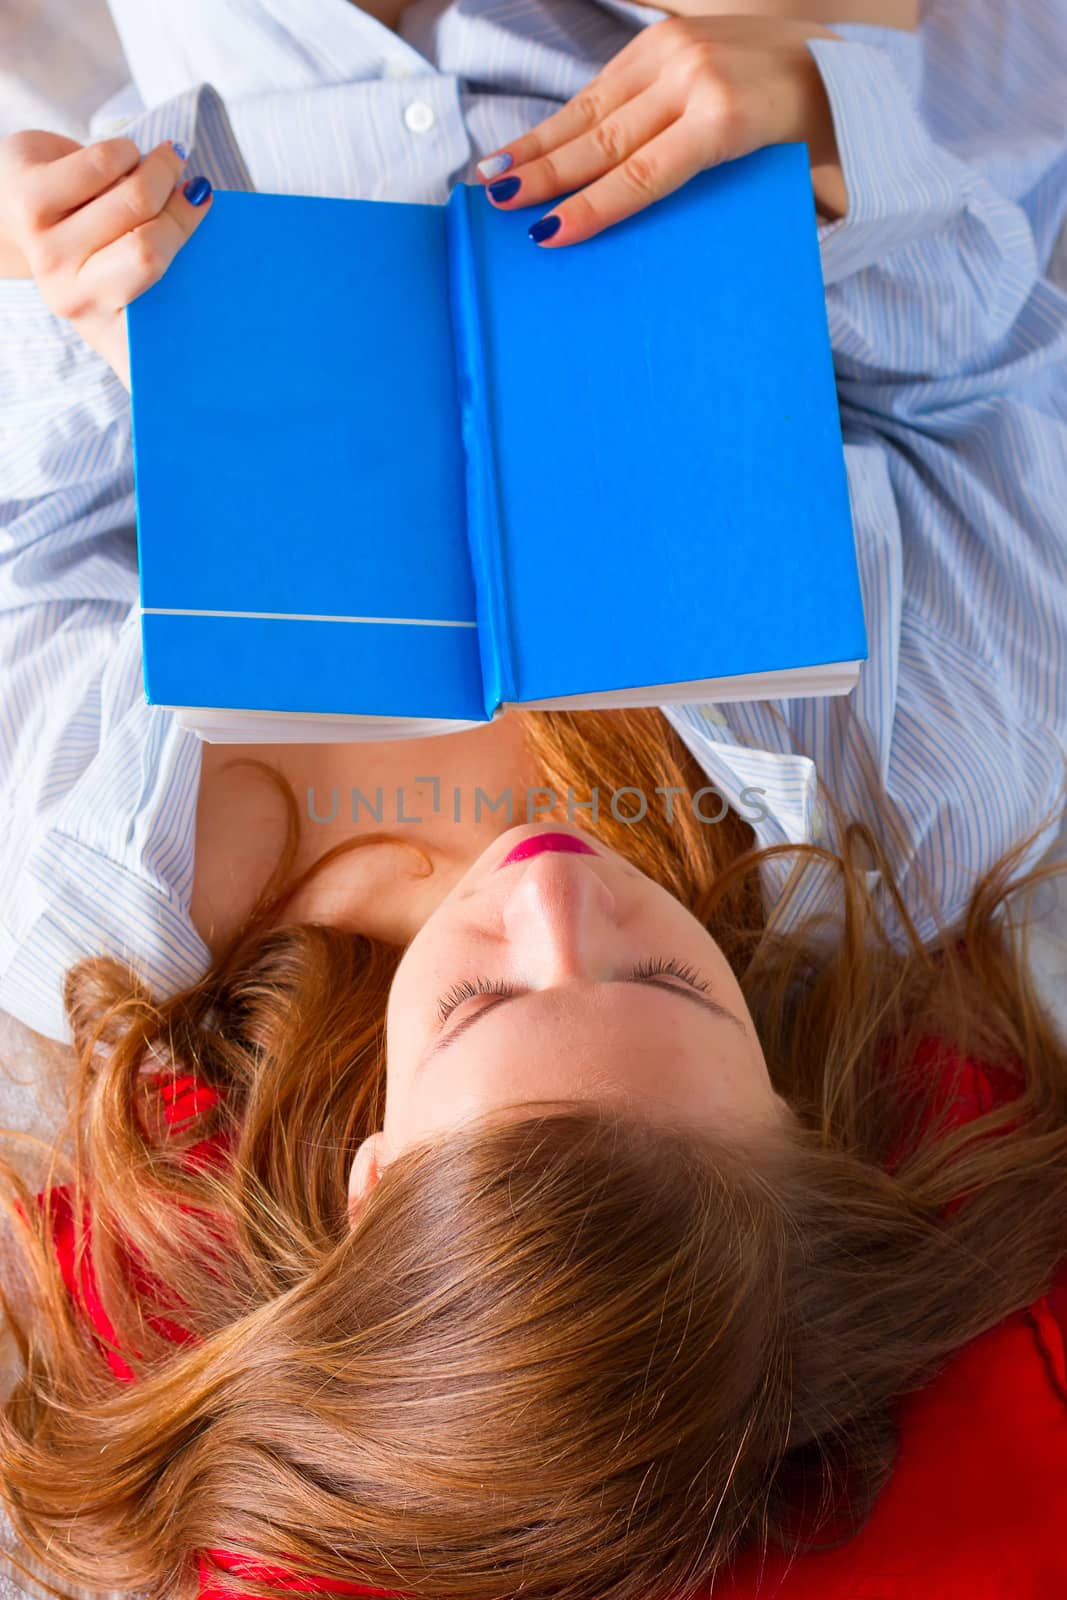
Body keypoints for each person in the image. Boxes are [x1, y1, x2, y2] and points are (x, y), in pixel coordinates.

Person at [0, 0, 1066, 1595]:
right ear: (786, 1116)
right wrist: (832, 135)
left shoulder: (86, 887)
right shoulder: (930, 788)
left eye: (482, 1004)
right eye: (663, 985)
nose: (551, 893)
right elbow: (987, 374)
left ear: (367, 1179)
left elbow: (24, 530)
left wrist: (53, 287)